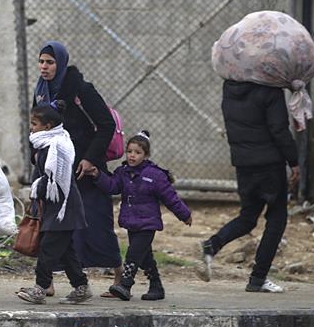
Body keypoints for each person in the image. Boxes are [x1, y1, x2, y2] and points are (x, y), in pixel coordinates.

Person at [34, 41, 122, 297]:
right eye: (41, 61)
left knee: (96, 225)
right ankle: (50, 282)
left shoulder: (80, 89)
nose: (44, 67)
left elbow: (105, 124)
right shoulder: (42, 92)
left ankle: (120, 275)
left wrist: (91, 159)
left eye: (49, 62)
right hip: (56, 170)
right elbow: (38, 127)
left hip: (85, 170)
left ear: (59, 64)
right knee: (55, 227)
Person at [196, 80, 299, 293]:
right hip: (269, 163)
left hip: (243, 163)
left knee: (248, 217)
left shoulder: (230, 87)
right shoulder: (271, 90)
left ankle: (212, 245)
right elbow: (279, 129)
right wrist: (294, 160)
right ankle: (258, 278)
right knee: (277, 218)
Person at [91, 131, 192, 301]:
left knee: (133, 254)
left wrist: (184, 215)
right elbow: (112, 186)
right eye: (130, 151)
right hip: (131, 222)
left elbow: (171, 198)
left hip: (148, 223)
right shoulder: (123, 172)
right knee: (145, 257)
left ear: (145, 155)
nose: (132, 155)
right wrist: (98, 175)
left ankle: (125, 284)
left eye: (137, 152)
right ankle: (156, 286)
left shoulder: (155, 175)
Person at [16, 105, 89, 304]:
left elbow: (55, 182)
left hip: (64, 206)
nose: (31, 128)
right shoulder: (44, 144)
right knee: (65, 251)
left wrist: (36, 190)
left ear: (48, 126)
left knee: (48, 248)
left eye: (34, 124)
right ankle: (81, 287)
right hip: (54, 207)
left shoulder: (58, 146)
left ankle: (40, 289)